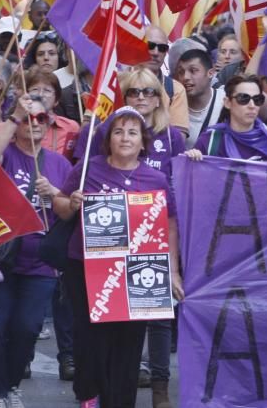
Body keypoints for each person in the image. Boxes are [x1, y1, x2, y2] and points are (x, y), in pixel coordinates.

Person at [53, 107, 183, 408]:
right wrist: (71, 203)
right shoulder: (88, 168)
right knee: (91, 341)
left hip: (138, 271)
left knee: (129, 344)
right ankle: (88, 393)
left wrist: (173, 271)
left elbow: (170, 223)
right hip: (85, 269)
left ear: (143, 142)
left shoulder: (156, 178)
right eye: (118, 131)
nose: (125, 138)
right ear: (108, 138)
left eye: (132, 132)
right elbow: (60, 205)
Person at [0, 95, 73, 408]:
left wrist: (56, 196)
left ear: (49, 125)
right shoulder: (5, 153)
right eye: (27, 119)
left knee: (28, 327)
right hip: (1, 259)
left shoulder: (60, 163)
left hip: (41, 262)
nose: (34, 125)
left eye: (40, 119)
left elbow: (68, 212)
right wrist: (13, 117)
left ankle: (10, 385)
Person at [72, 68, 186, 177]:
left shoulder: (173, 136)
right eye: (134, 92)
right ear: (125, 99)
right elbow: (81, 175)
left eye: (149, 92)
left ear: (158, 101)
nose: (141, 97)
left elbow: (179, 180)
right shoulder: (103, 131)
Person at [189, 74, 267, 162]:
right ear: (227, 103)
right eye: (243, 98)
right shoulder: (210, 140)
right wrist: (193, 159)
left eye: (257, 99)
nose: (252, 105)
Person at [142, 25, 189, 137]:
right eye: (150, 46)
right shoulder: (118, 83)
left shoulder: (175, 89)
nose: (155, 52)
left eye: (162, 48)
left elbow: (178, 139)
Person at [174, 49, 225, 149]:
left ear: (210, 73)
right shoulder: (173, 104)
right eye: (181, 72)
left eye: (193, 71)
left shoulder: (226, 101)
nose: (185, 77)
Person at [25, 70, 80, 159]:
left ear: (56, 100)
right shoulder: (17, 125)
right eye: (35, 89)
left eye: (47, 90)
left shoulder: (71, 127)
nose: (40, 94)